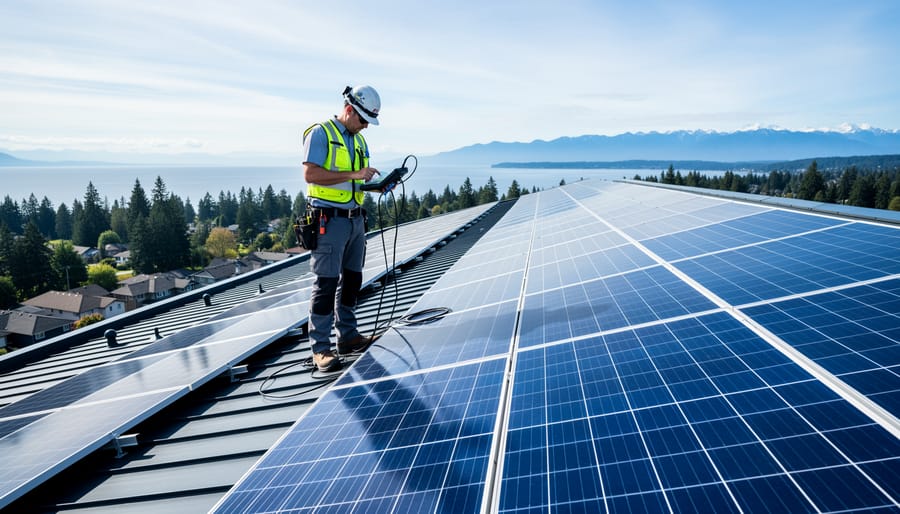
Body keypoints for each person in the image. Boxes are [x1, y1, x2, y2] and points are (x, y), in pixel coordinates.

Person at [301, 85, 381, 371]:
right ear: (349, 110)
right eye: (362, 121)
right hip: (329, 220)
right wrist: (354, 174)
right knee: (325, 283)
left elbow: (354, 182)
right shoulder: (321, 133)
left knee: (352, 280)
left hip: (355, 219)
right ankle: (320, 349)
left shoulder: (358, 141)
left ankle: (347, 336)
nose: (365, 127)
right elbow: (311, 174)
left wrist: (375, 185)